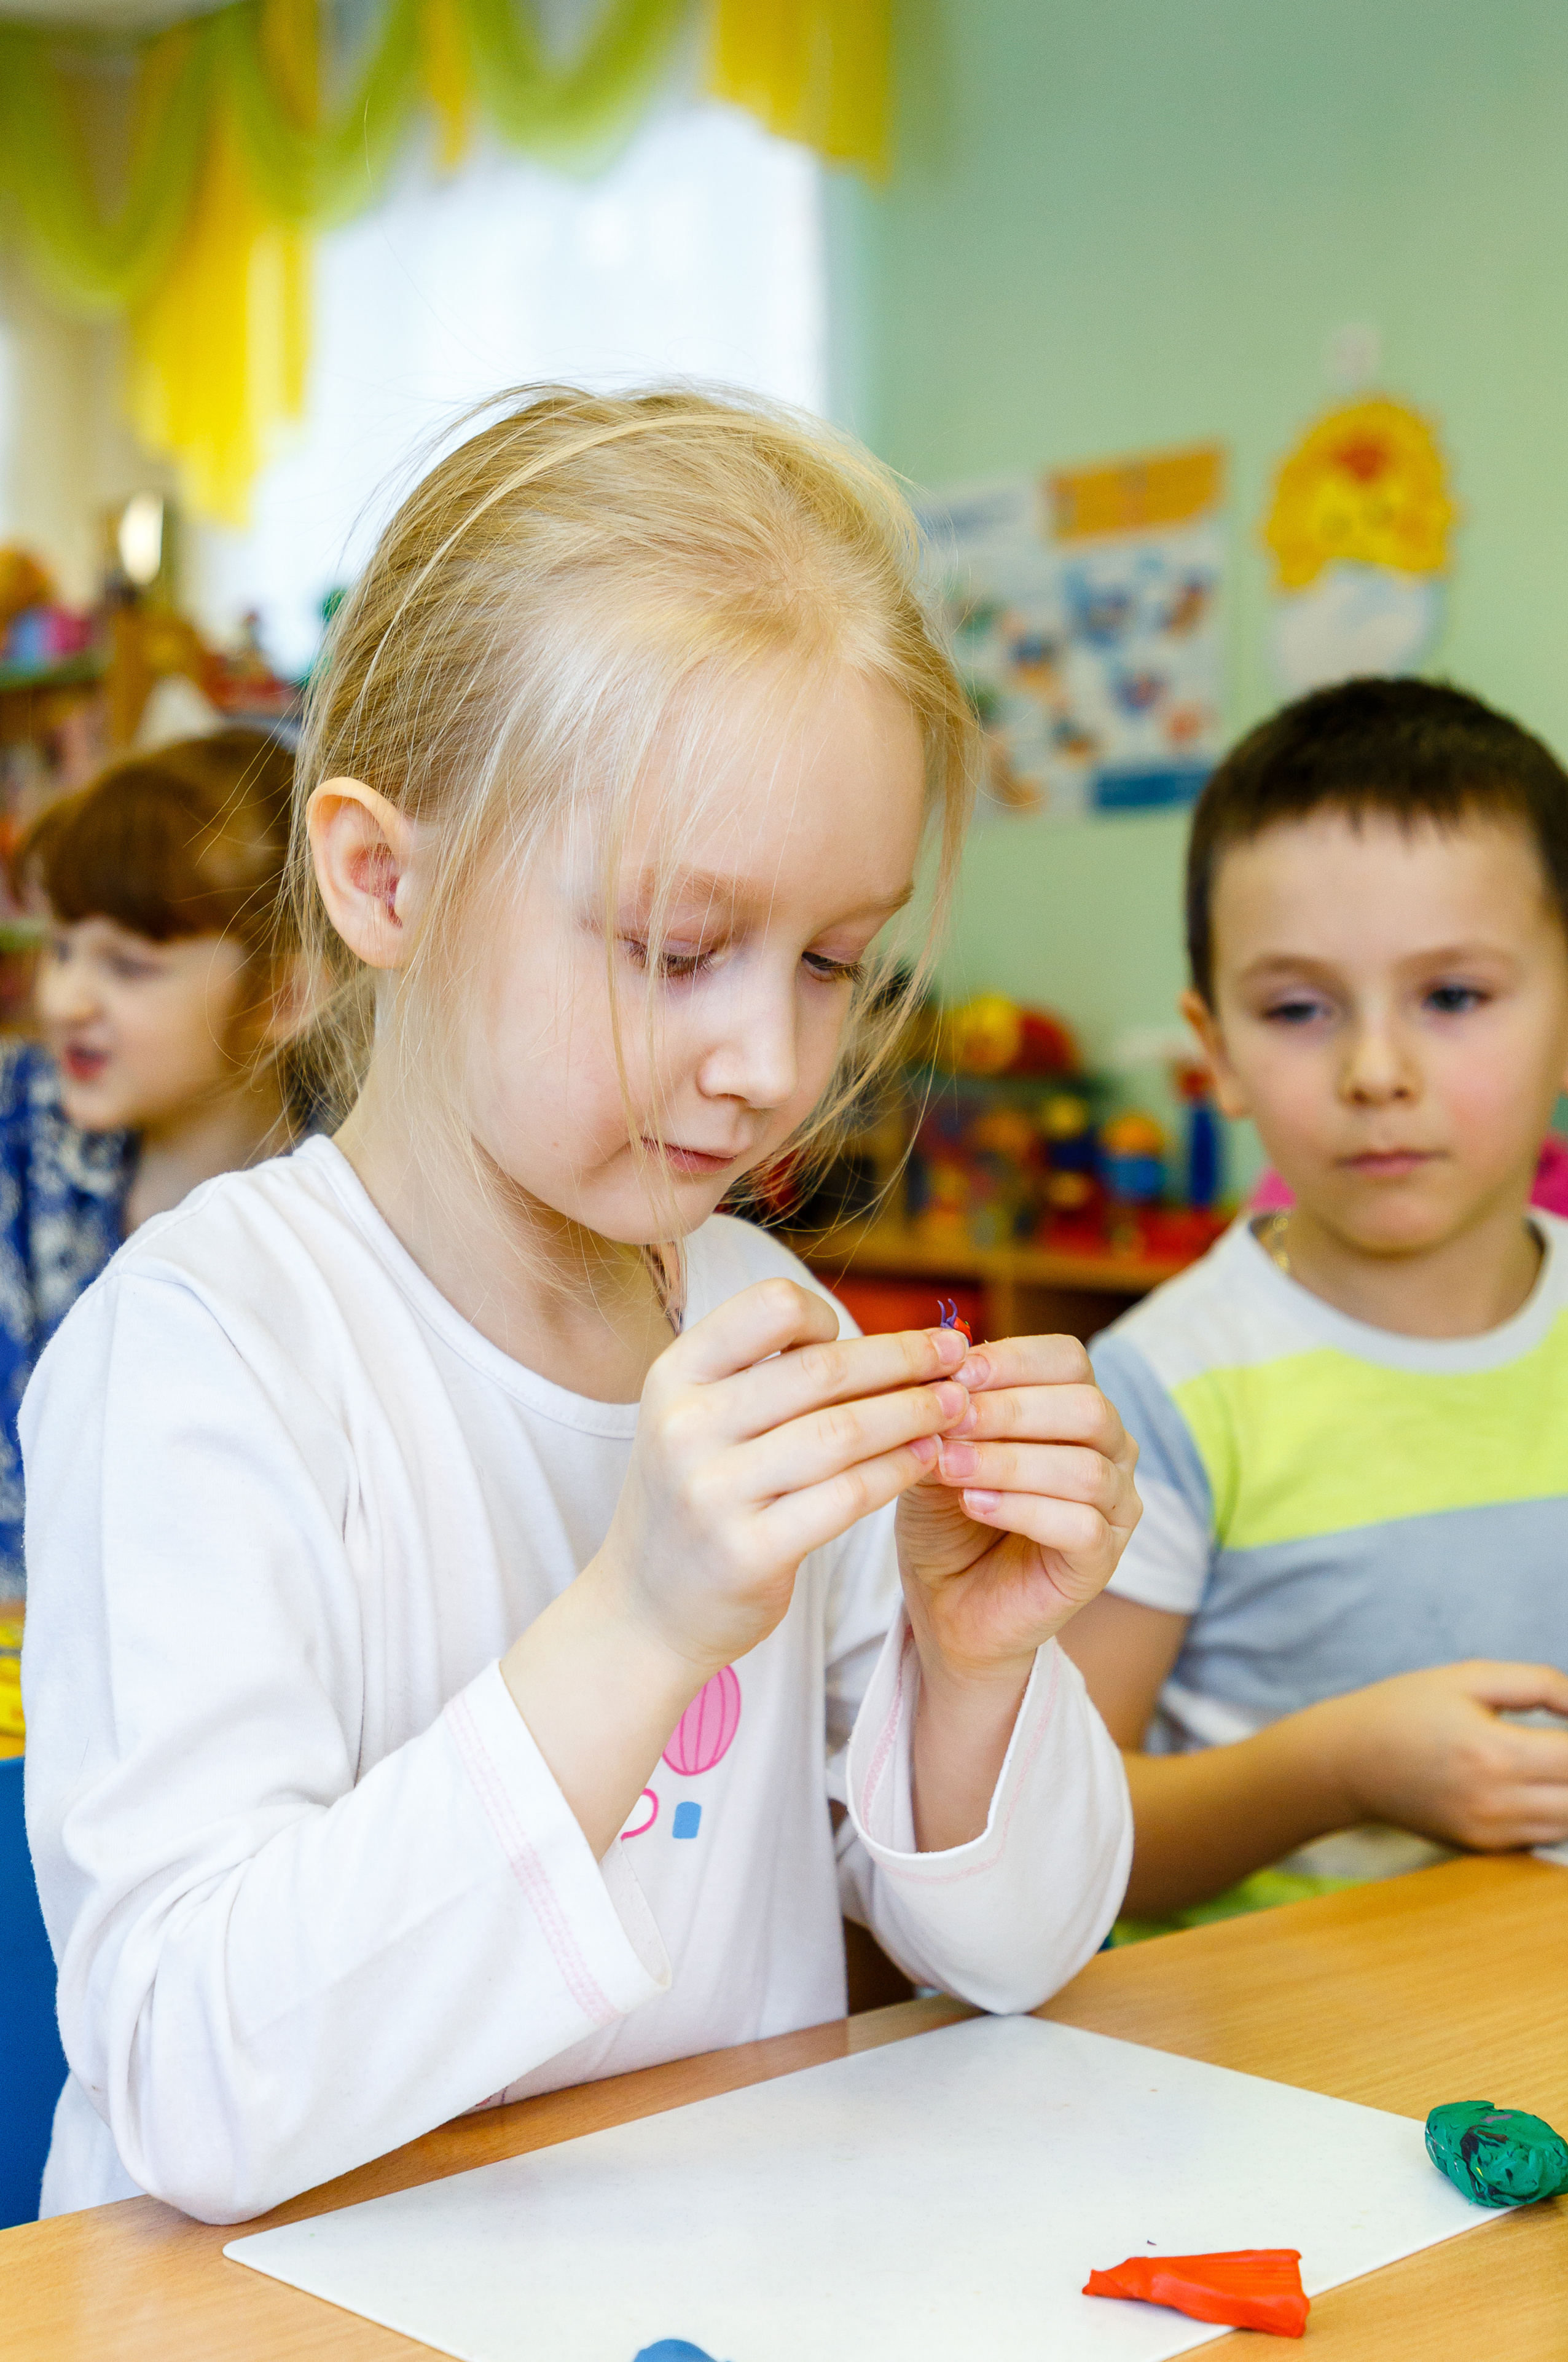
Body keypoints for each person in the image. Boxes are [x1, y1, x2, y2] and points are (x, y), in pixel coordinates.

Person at [20, 389, 1140, 2224]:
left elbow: (1016, 1954)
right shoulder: (208, 1351)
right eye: (678, 950)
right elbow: (194, 2083)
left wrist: (977, 1660)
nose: (770, 1059)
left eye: (835, 961)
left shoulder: (762, 1310)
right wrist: (639, 1619)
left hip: (695, 2274)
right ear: (383, 879)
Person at [1059, 677, 1568, 1928]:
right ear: (1215, 1048)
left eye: (1451, 996)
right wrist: (1335, 1767)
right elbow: (1054, 1844)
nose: (1374, 1072)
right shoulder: (1161, 1391)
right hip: (1258, 2064)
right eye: (1296, 1008)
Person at [0, 729, 300, 1599]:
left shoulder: (351, 1202)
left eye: (128, 966)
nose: (64, 1000)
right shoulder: (19, 1122)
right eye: (59, 948)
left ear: (285, 995)